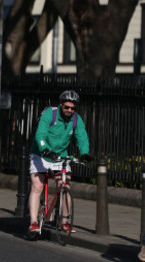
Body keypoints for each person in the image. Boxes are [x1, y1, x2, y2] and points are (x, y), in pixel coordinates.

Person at [28, 90, 92, 235]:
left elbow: (82, 136)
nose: (70, 110)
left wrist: (85, 153)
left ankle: (65, 221)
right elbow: (41, 134)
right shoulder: (50, 114)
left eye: (73, 108)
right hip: (41, 153)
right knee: (37, 185)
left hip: (60, 155)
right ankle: (33, 222)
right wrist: (44, 149)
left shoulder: (76, 119)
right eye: (67, 107)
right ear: (61, 105)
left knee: (65, 185)